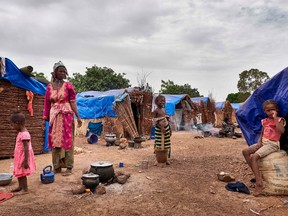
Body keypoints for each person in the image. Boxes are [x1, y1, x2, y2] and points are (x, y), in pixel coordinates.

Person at [43, 61, 82, 176]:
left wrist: (78, 117)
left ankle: (69, 167)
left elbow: (73, 102)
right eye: (60, 71)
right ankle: (57, 167)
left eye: (64, 71)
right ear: (55, 72)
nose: (63, 73)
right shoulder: (49, 87)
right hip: (54, 118)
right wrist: (45, 118)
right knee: (55, 142)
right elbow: (46, 103)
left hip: (66, 116)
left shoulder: (69, 86)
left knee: (68, 141)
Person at [242, 99, 285, 196]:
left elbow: (281, 131)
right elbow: (262, 132)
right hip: (264, 143)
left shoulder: (279, 120)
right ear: (264, 111)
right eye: (268, 110)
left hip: (272, 144)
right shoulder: (264, 121)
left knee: (254, 157)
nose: (270, 112)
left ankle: (259, 183)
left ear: (277, 110)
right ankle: (258, 176)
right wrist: (259, 142)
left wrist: (275, 119)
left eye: (273, 109)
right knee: (245, 151)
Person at [10, 111, 36, 194]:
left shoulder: (25, 134)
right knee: (19, 171)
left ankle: (25, 189)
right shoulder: (21, 132)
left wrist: (25, 160)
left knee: (22, 173)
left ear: (18, 123)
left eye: (12, 124)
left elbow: (26, 148)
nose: (12, 127)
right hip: (19, 155)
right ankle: (20, 186)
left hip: (23, 156)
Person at [152, 95, 172, 165]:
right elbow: (155, 122)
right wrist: (161, 128)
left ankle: (166, 159)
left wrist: (169, 128)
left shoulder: (164, 110)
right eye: (160, 100)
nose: (162, 102)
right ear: (156, 102)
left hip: (166, 128)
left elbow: (165, 120)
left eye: (163, 101)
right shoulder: (155, 111)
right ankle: (157, 159)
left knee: (167, 143)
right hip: (159, 130)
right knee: (159, 143)